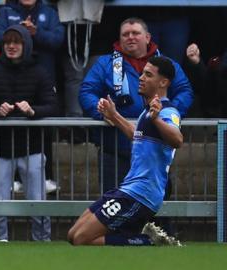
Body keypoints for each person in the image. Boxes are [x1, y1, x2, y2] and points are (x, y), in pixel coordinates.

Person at [68, 56, 183, 246]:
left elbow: (177, 139)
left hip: (141, 194)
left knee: (82, 239)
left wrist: (156, 119)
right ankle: (140, 236)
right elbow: (135, 134)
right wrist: (113, 115)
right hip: (128, 189)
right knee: (73, 235)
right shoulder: (147, 112)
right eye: (142, 73)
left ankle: (148, 241)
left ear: (163, 82)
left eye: (148, 74)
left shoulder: (167, 112)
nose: (141, 78)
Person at [79, 17, 193, 192]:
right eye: (125, 34)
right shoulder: (106, 63)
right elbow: (87, 92)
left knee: (155, 203)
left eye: (135, 33)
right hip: (115, 147)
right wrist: (102, 111)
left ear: (147, 37)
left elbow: (184, 91)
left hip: (154, 147)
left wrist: (168, 112)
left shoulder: (166, 64)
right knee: (113, 203)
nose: (130, 37)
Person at [0, 25, 58, 241]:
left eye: (17, 42)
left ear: (26, 45)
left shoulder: (40, 72)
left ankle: (42, 241)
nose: (11, 46)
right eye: (7, 42)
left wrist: (33, 111)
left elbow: (53, 106)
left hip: (31, 147)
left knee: (37, 199)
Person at [0, 0, 64, 78]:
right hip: (10, 73)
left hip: (44, 73)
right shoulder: (4, 12)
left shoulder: (50, 12)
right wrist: (18, 32)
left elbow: (57, 40)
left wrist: (36, 32)